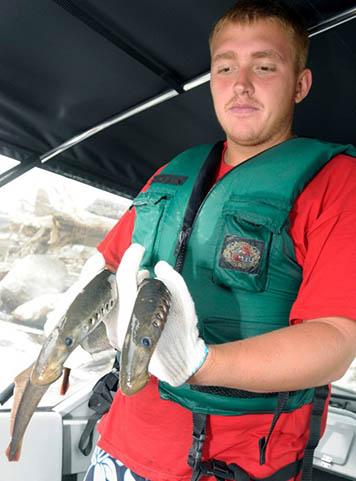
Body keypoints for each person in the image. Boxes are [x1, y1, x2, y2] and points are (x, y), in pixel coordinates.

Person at [80, 1, 356, 480]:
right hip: (118, 446)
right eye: (225, 67)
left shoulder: (338, 183)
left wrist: (201, 364)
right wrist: (66, 337)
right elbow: (107, 268)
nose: (241, 83)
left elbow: (336, 340)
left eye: (265, 66)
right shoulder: (174, 171)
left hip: (230, 465)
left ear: (300, 84)